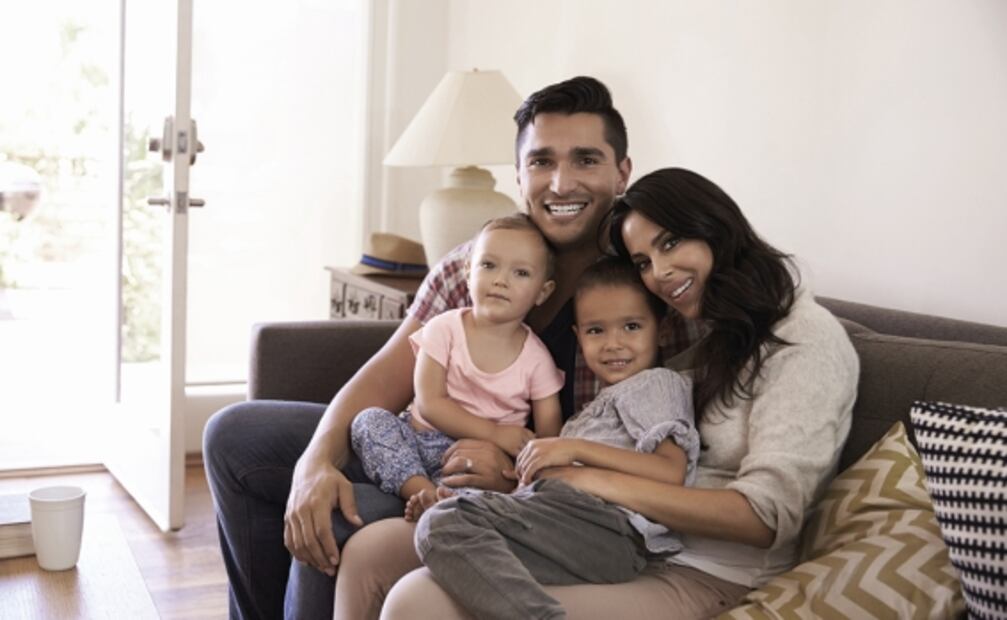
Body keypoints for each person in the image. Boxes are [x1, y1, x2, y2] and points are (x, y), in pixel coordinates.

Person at [203, 75, 647, 620]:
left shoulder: (641, 286)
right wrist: (313, 464)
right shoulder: (470, 264)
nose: (560, 183)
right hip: (418, 446)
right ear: (518, 173)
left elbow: (647, 448)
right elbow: (384, 379)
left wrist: (514, 471)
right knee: (234, 435)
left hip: (518, 493)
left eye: (585, 160)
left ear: (621, 173)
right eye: (541, 162)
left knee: (340, 516)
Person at [343, 166, 859, 619]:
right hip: (611, 532)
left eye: (670, 243)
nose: (659, 274)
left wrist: (587, 477)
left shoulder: (804, 341)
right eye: (643, 261)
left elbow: (765, 519)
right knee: (372, 552)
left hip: (707, 572)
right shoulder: (711, 341)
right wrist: (514, 474)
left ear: (718, 229)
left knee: (418, 599)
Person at [414, 256, 701, 620]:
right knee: (443, 522)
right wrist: (475, 501)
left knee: (442, 524)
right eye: (596, 331)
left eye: (631, 326)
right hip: (563, 520)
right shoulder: (593, 411)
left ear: (661, 331)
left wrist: (574, 448)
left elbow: (670, 471)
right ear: (578, 337)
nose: (613, 344)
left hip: (607, 531)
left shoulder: (655, 383)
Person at [349, 214, 564, 522]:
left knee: (492, 495)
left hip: (474, 463)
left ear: (543, 291)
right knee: (368, 421)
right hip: (417, 439)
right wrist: (495, 433)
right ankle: (423, 492)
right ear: (467, 272)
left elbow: (548, 437)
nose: (501, 280)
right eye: (488, 265)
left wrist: (516, 462)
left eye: (521, 273)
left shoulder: (538, 360)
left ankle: (443, 503)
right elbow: (430, 402)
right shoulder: (443, 328)